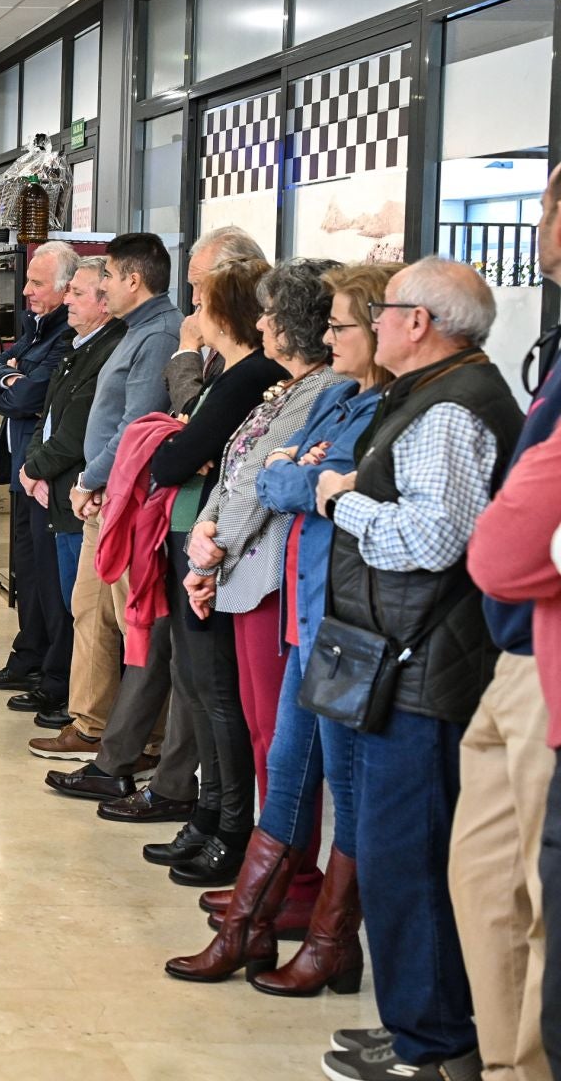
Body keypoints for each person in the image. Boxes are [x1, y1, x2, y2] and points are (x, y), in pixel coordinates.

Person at [311, 258, 523, 1081]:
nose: (369, 322)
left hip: (426, 658)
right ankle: (416, 1028)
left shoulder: (451, 408)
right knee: (395, 852)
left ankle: (437, 1047)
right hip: (396, 649)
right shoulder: (430, 393)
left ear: (418, 323)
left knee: (413, 856)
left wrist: (342, 496)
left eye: (382, 308)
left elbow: (434, 540)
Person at [187, 263, 399, 993]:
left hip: (340, 611)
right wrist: (303, 474)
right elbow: (275, 475)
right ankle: (257, 920)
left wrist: (303, 475)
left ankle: (325, 934)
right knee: (286, 759)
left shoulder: (380, 406)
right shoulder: (343, 396)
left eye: (345, 325)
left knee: (333, 776)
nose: (334, 336)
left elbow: (298, 482)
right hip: (314, 607)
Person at [164, 259, 348, 979]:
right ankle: (272, 886)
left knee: (279, 739)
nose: (262, 322)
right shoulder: (290, 387)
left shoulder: (323, 391)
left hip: (270, 577)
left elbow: (271, 481)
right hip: (238, 568)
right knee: (264, 728)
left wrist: (211, 549)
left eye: (273, 314)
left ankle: (292, 887)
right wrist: (207, 540)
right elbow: (243, 472)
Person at [94, 259, 281, 846]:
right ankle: (208, 814)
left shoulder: (249, 375)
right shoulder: (231, 372)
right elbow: (182, 445)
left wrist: (181, 425)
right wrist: (182, 436)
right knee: (195, 682)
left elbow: (177, 457)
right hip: (187, 528)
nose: (191, 310)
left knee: (213, 691)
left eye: (201, 298)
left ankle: (221, 822)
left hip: (212, 541)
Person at [459, 162, 561, 1081]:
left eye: (545, 211)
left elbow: (511, 545)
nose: (538, 229)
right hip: (517, 647)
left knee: (532, 887)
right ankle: (497, 1060)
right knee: (488, 877)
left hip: (544, 662)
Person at [31, 232, 183, 762]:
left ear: (133, 280)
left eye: (110, 278)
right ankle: (91, 723)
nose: (104, 288)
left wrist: (89, 479)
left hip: (127, 495)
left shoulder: (159, 333)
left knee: (132, 622)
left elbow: (136, 425)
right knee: (89, 611)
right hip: (106, 493)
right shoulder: (132, 330)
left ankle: (151, 737)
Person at [17, 260, 128, 753]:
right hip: (60, 492)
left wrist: (36, 466)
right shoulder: (76, 347)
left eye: (78, 294)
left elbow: (80, 431)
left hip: (77, 493)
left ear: (105, 301)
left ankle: (94, 715)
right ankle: (83, 707)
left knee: (85, 610)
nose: (67, 302)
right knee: (72, 605)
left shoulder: (108, 350)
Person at [0, 241, 77, 689]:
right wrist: (7, 376)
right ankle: (28, 655)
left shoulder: (67, 335)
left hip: (48, 476)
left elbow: (28, 397)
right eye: (28, 282)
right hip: (22, 468)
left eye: (37, 284)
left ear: (67, 288)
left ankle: (50, 668)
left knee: (49, 579)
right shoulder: (36, 328)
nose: (26, 293)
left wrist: (9, 383)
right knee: (27, 573)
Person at [169, 228, 269, 408]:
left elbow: (197, 417)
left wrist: (187, 348)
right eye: (192, 286)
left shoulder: (253, 345)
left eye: (201, 285)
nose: (195, 298)